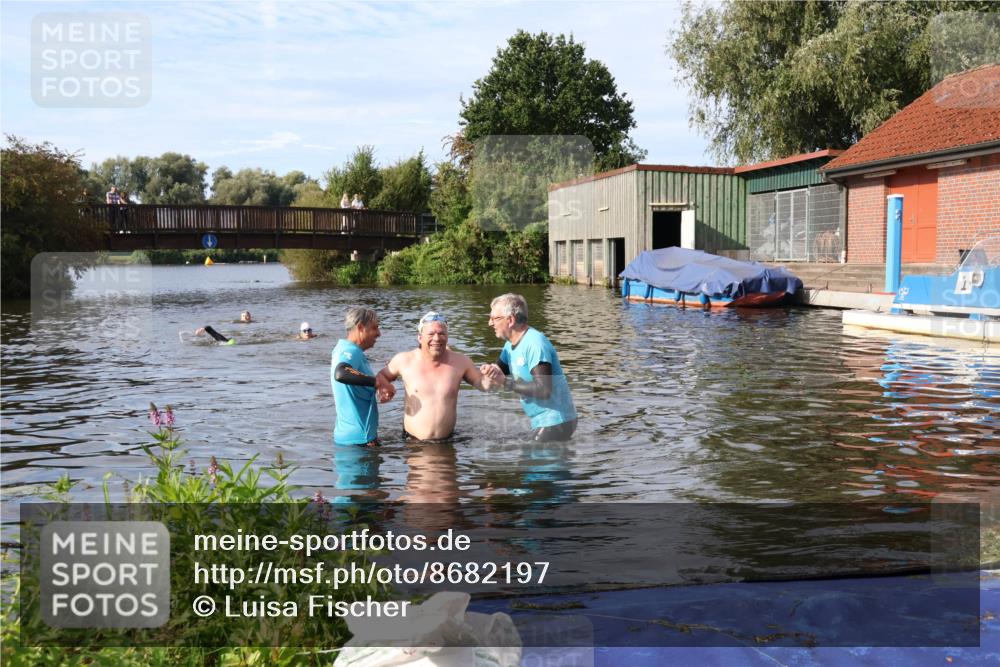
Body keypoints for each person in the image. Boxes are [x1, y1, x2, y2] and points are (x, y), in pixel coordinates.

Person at [377, 311, 495, 442]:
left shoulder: (462, 361)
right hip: (413, 443)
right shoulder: (404, 360)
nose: (437, 338)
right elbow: (382, 375)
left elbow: (483, 385)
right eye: (431, 334)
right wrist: (384, 387)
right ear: (420, 337)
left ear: (447, 336)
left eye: (441, 334)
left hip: (447, 441)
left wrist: (490, 375)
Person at [480, 294, 577, 442]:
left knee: (533, 461)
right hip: (542, 420)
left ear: (510, 320)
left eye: (494, 318)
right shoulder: (509, 345)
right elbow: (499, 370)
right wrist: (489, 369)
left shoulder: (535, 344)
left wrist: (506, 382)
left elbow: (544, 390)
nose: (490, 323)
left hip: (558, 420)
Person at [331, 307, 394, 447]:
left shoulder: (344, 348)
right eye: (375, 328)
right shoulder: (350, 351)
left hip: (352, 438)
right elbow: (341, 373)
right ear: (360, 327)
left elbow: (355, 379)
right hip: (359, 441)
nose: (379, 333)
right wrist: (377, 382)